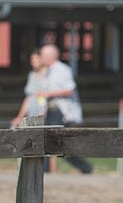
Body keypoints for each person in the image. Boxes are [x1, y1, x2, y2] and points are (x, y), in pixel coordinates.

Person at [38, 44, 93, 174]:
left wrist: (49, 94)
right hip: (52, 111)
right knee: (46, 140)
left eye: (42, 55)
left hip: (63, 112)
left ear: (50, 56)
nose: (40, 58)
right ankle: (45, 171)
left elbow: (70, 90)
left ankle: (86, 168)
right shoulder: (48, 72)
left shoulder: (62, 69)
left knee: (61, 145)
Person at [11, 49, 47, 129]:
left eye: (36, 58)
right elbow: (28, 98)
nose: (33, 61)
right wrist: (19, 118)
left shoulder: (49, 75)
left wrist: (43, 117)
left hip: (46, 118)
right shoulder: (32, 75)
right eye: (32, 59)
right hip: (32, 117)